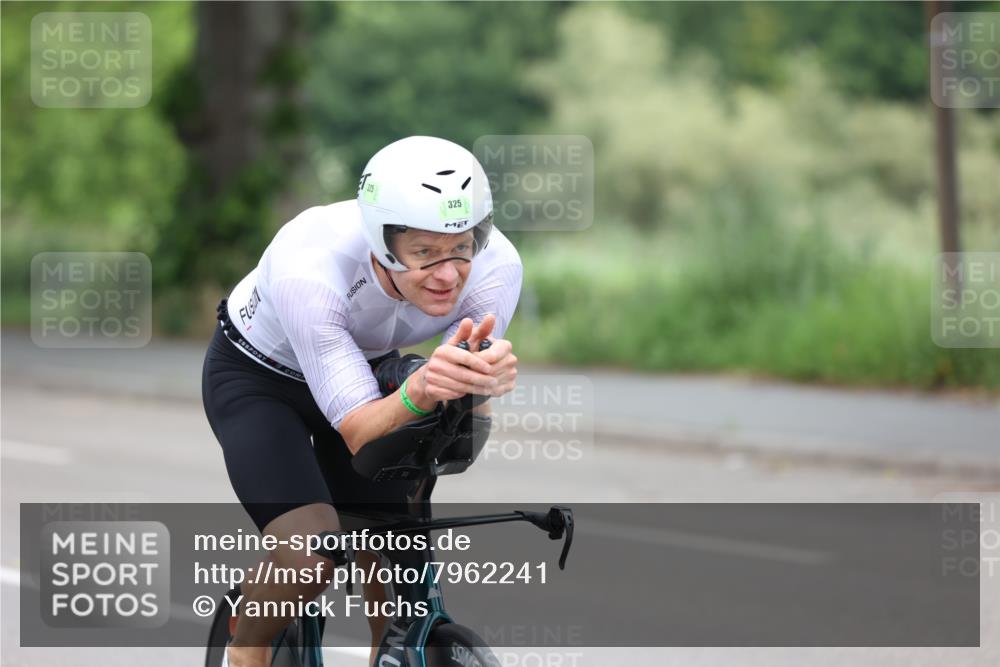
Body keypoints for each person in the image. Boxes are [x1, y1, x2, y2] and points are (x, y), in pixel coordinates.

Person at [201, 136, 521, 667]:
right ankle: (245, 650)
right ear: (380, 242)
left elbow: (455, 415)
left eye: (460, 247)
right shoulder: (311, 264)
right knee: (309, 554)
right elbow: (358, 429)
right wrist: (420, 391)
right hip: (259, 378)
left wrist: (476, 382)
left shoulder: (497, 266)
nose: (447, 274)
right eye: (424, 253)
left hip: (364, 367)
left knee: (391, 550)